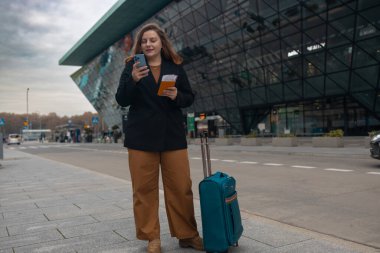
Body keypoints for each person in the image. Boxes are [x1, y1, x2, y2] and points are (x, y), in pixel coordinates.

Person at [115, 23, 203, 253]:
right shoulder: (131, 67)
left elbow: (189, 97)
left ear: (161, 42)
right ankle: (151, 238)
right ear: (140, 45)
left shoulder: (174, 66)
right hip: (141, 138)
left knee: (181, 187)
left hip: (171, 135)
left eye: (152, 40)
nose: (148, 44)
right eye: (144, 41)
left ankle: (188, 235)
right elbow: (122, 99)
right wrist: (133, 79)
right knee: (144, 190)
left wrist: (176, 95)